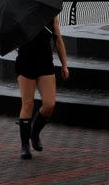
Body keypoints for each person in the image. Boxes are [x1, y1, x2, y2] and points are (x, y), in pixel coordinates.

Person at [15, 12, 69, 159]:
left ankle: (34, 132)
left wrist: (64, 65)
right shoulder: (21, 15)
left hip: (45, 63)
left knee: (49, 105)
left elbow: (58, 40)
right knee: (27, 104)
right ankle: (25, 146)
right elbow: (13, 40)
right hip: (25, 63)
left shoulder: (51, 15)